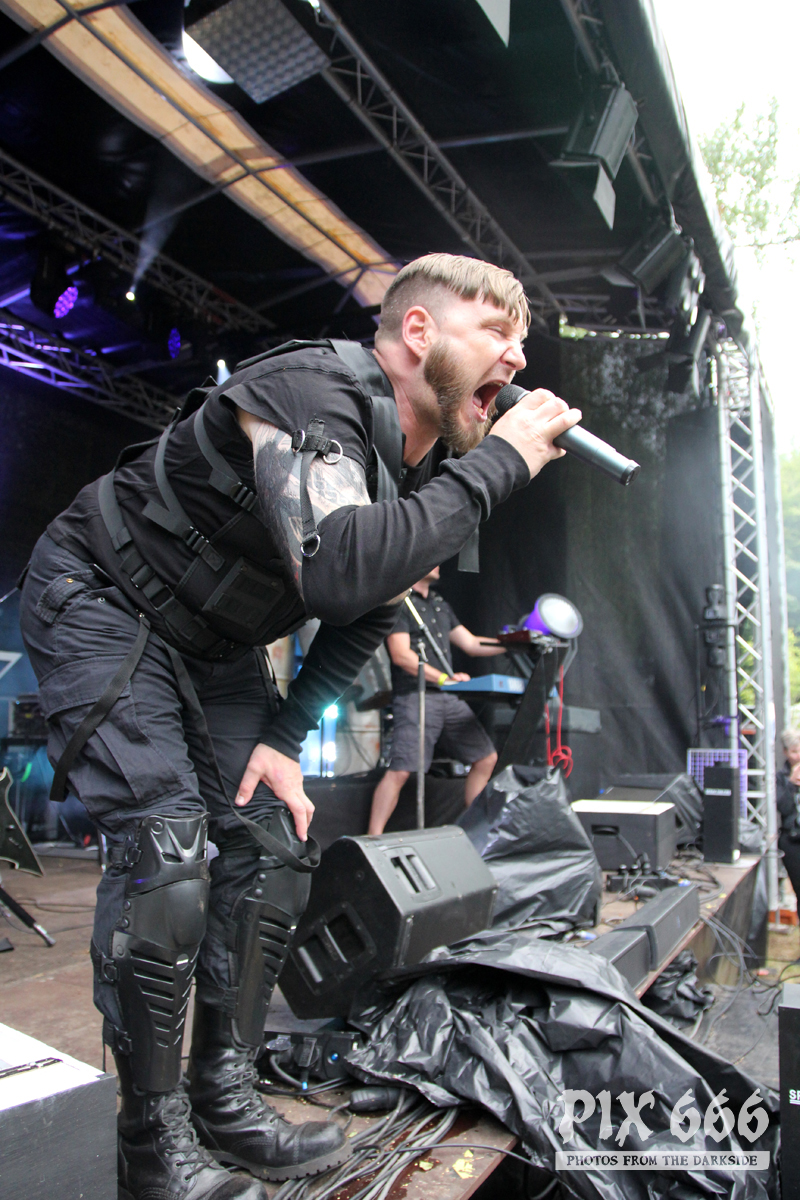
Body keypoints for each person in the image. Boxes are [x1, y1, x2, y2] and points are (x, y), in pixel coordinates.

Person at [18, 252, 581, 1200]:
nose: (519, 360)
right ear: (417, 332)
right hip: (103, 594)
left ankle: (225, 1097)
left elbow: (369, 608)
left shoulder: (417, 465)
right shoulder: (315, 390)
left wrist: (285, 739)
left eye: (520, 343)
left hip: (216, 642)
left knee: (273, 845)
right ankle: (152, 1146)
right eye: (498, 333)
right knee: (167, 851)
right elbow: (337, 566)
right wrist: (500, 466)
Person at [368, 566, 504, 834]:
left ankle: (477, 831)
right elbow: (401, 655)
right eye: (433, 560)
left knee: (485, 757)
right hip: (416, 696)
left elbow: (472, 644)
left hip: (448, 697)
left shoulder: (440, 604)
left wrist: (512, 644)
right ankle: (371, 838)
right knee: (401, 770)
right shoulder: (401, 602)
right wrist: (443, 678)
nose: (439, 564)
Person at [777, 727, 800, 903]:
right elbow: (783, 808)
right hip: (792, 840)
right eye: (794, 752)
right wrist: (791, 784)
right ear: (785, 752)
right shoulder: (780, 777)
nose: (798, 756)